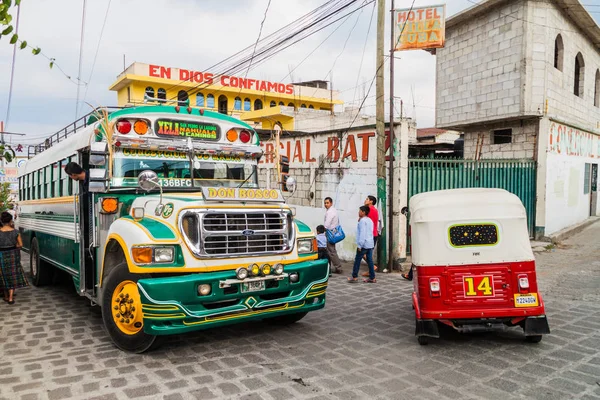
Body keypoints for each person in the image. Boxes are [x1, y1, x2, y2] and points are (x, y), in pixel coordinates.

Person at [0, 212, 28, 304]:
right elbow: (21, 245)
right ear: (10, 220)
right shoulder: (16, 232)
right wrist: (14, 245)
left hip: (1, 254)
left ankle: (6, 296)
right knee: (12, 275)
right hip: (12, 254)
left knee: (3, 275)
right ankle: (11, 297)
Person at [348, 205, 376, 283]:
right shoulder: (369, 220)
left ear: (363, 212)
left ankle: (354, 276)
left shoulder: (362, 221)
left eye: (360, 211)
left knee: (357, 260)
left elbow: (362, 233)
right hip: (370, 243)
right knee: (370, 261)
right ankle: (372, 277)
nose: (358, 212)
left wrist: (360, 245)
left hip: (364, 244)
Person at [324, 197, 343, 274]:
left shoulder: (330, 212)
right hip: (333, 232)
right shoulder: (333, 210)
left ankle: (338, 267)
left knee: (331, 251)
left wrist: (323, 230)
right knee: (331, 250)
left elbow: (326, 225)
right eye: (325, 203)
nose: (326, 204)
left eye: (327, 203)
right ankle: (333, 266)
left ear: (331, 203)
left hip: (330, 233)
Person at [362, 195, 380, 277]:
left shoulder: (371, 210)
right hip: (372, 234)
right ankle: (371, 269)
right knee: (366, 253)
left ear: (371, 201)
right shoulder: (372, 210)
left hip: (370, 234)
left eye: (367, 199)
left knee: (363, 253)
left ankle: (372, 268)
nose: (365, 200)